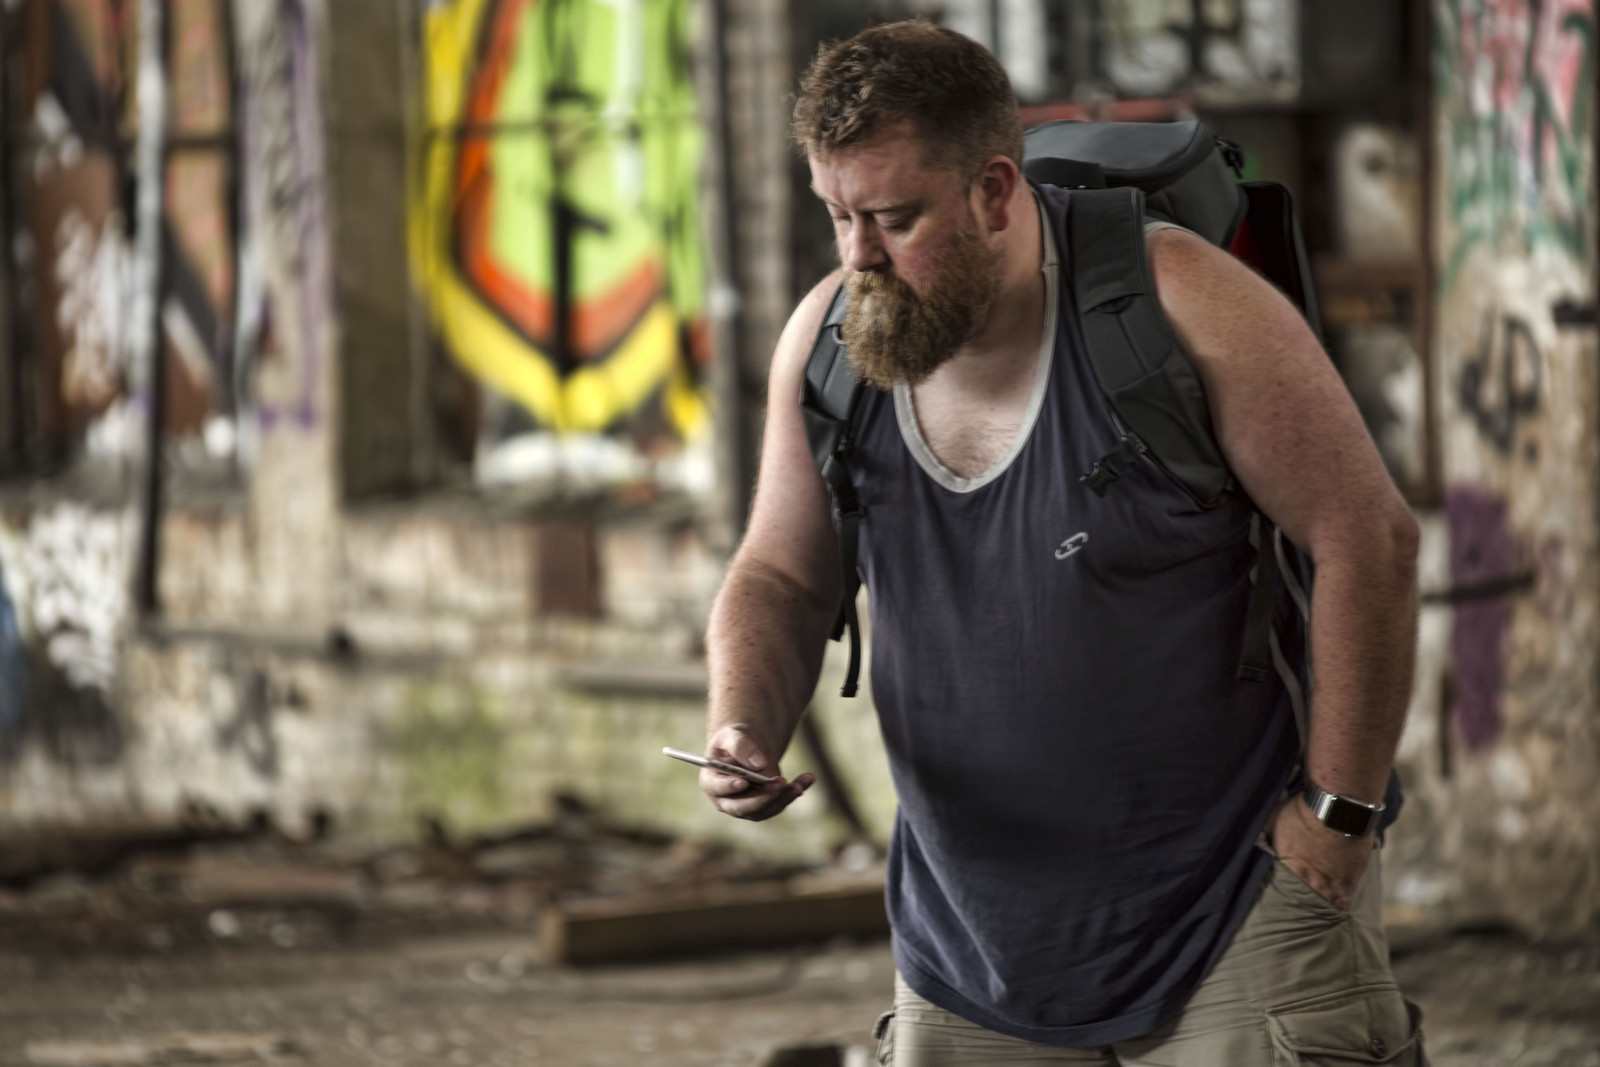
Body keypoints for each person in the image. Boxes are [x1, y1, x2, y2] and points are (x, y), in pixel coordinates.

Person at [699, 20, 1426, 1067]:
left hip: (1232, 911)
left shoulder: (1181, 303)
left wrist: (1336, 818)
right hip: (967, 943)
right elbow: (780, 571)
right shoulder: (829, 345)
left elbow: (1368, 536)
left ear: (995, 192)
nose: (858, 255)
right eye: (837, 215)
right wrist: (740, 721)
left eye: (894, 218)